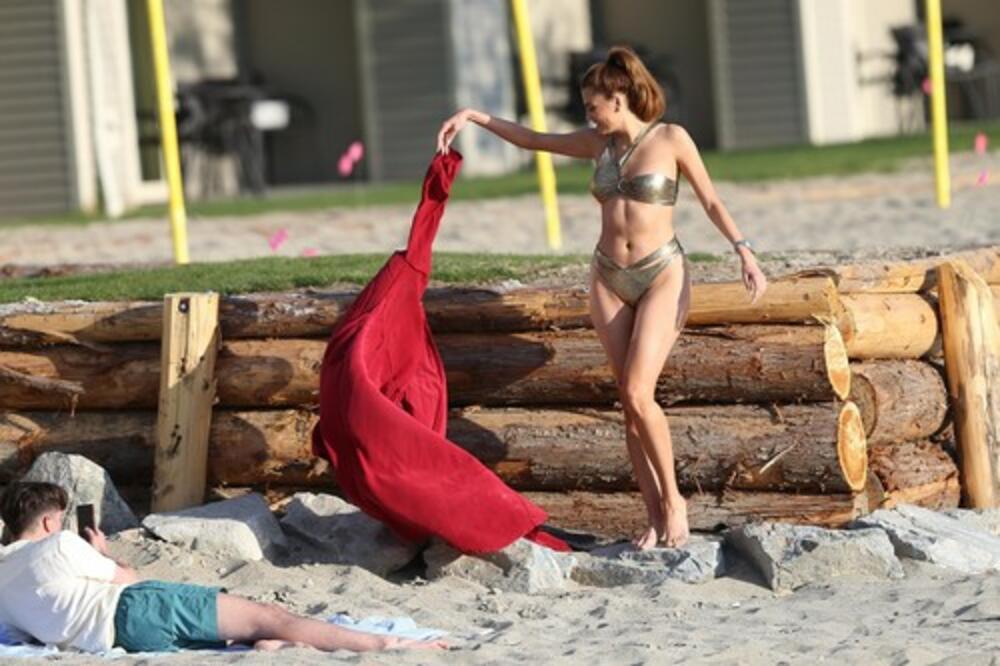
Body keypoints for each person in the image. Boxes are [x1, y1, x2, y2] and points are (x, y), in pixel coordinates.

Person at [436, 46, 768, 550]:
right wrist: (474, 117)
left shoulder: (671, 138)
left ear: (619, 97)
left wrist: (743, 250)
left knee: (638, 391)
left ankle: (675, 502)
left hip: (661, 272)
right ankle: (653, 517)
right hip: (608, 275)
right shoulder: (598, 145)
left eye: (594, 106)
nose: (588, 115)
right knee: (628, 403)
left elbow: (711, 199)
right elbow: (534, 139)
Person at [0, 482, 445, 654]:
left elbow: (31, 635)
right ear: (50, 522)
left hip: (123, 641)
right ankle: (385, 643)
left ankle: (270, 646)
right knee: (270, 615)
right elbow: (130, 580)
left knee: (245, 633)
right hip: (137, 609)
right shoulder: (60, 544)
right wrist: (101, 552)